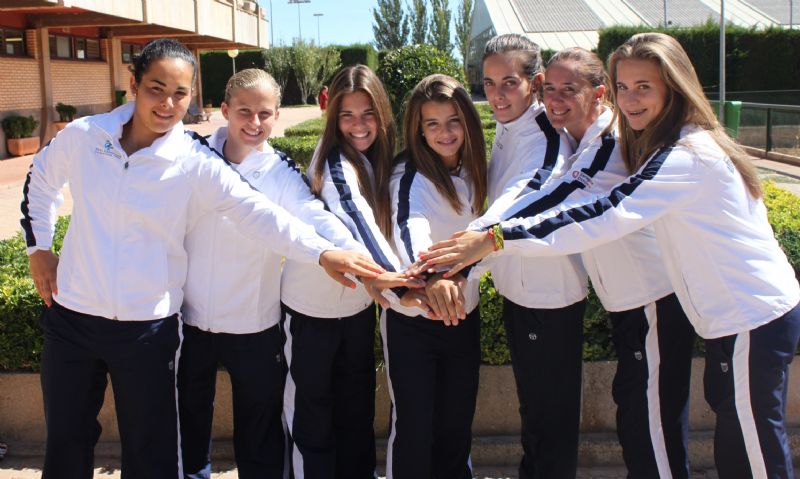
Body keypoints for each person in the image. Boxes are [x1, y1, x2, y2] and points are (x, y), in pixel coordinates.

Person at [420, 32, 800, 479]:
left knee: (687, 440)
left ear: (673, 87)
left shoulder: (673, 152)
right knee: (663, 430)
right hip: (702, 314)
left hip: (722, 311)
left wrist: (488, 240)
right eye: (625, 87)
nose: (630, 98)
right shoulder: (637, 141)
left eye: (644, 87)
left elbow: (598, 212)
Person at [21, 39, 387, 479]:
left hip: (148, 328)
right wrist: (39, 248)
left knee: (152, 453)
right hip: (75, 320)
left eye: (180, 93)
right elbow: (40, 180)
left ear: (193, 96)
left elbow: (260, 215)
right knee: (66, 443)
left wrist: (325, 252)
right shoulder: (85, 136)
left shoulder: (195, 160)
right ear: (133, 84)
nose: (168, 103)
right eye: (157, 89)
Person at [177, 68, 423, 479]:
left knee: (262, 436)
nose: (254, 123)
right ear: (224, 110)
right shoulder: (192, 155)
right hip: (192, 317)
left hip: (255, 322)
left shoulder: (284, 172)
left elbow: (316, 217)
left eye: (265, 113)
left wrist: (356, 265)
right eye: (244, 112)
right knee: (188, 426)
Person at [476, 46, 697, 478]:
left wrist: (479, 243)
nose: (554, 100)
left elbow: (561, 202)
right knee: (641, 423)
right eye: (551, 89)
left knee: (651, 429)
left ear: (599, 94)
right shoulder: (574, 137)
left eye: (568, 90)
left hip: (654, 300)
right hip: (631, 302)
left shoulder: (608, 141)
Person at [280, 65, 411, 479]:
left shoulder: (378, 159)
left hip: (355, 309)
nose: (359, 125)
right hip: (310, 312)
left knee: (355, 415)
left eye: (368, 113)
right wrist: (401, 288)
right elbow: (356, 220)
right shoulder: (334, 160)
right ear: (331, 113)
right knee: (312, 421)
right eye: (347, 115)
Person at [478, 33, 589, 479]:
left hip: (547, 296)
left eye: (508, 82)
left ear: (535, 82)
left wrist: (459, 257)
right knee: (535, 410)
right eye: (488, 83)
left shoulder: (545, 139)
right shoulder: (510, 128)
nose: (497, 95)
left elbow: (513, 206)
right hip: (521, 291)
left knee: (551, 419)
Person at [382, 74, 487, 479]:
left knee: (456, 427)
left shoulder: (475, 167)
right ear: (417, 128)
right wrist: (434, 279)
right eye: (432, 124)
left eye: (453, 120)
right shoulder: (407, 174)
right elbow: (410, 227)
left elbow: (487, 238)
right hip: (415, 321)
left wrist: (462, 280)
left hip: (464, 315)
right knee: (413, 429)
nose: (444, 133)